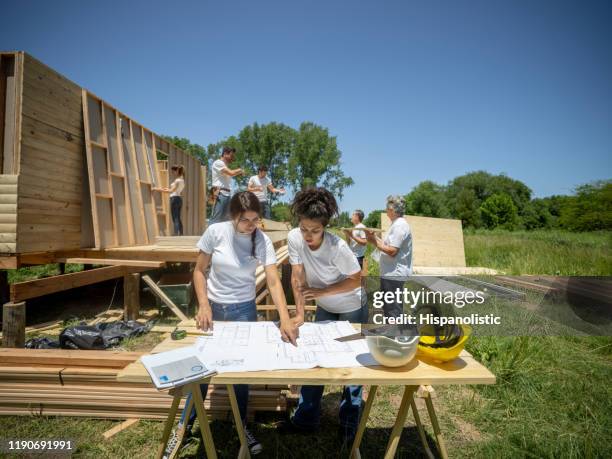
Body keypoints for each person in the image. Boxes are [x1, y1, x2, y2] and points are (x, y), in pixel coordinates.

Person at [165, 191, 299, 457]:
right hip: (213, 308)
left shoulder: (260, 239)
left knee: (241, 372)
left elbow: (273, 281)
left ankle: (242, 427)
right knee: (201, 369)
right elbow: (199, 270)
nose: (251, 225)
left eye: (255, 219)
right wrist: (203, 304)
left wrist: (285, 318)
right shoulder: (216, 232)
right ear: (233, 216)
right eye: (246, 220)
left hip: (243, 311)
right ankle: (184, 426)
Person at [279, 187, 363, 444]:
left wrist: (322, 291)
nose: (308, 236)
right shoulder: (294, 238)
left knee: (352, 362)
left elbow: (357, 279)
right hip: (325, 303)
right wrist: (301, 314)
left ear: (325, 227)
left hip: (352, 304)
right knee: (316, 358)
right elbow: (297, 277)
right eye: (304, 228)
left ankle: (349, 424)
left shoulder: (338, 248)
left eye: (315, 231)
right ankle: (306, 419)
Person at [365, 195, 413, 318]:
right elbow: (386, 245)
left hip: (394, 274)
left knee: (392, 310)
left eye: (387, 209)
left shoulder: (399, 225)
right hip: (389, 273)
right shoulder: (396, 224)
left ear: (392, 210)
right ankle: (392, 332)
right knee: (389, 307)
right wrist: (373, 237)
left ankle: (394, 334)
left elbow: (392, 251)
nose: (385, 211)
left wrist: (373, 241)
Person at [210, 146, 243, 224]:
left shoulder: (224, 166)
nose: (232, 158)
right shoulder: (218, 163)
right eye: (231, 156)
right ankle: (209, 235)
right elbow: (231, 173)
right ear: (225, 154)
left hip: (226, 194)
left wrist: (238, 172)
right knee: (216, 219)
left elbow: (230, 174)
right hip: (220, 193)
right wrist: (240, 170)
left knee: (225, 220)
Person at [154, 165, 185, 236]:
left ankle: (176, 234)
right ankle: (181, 233)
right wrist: (163, 189)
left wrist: (157, 189)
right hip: (179, 199)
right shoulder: (182, 180)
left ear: (176, 171)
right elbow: (173, 190)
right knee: (178, 217)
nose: (173, 173)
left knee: (175, 217)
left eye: (173, 172)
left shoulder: (177, 181)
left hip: (174, 199)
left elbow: (171, 191)